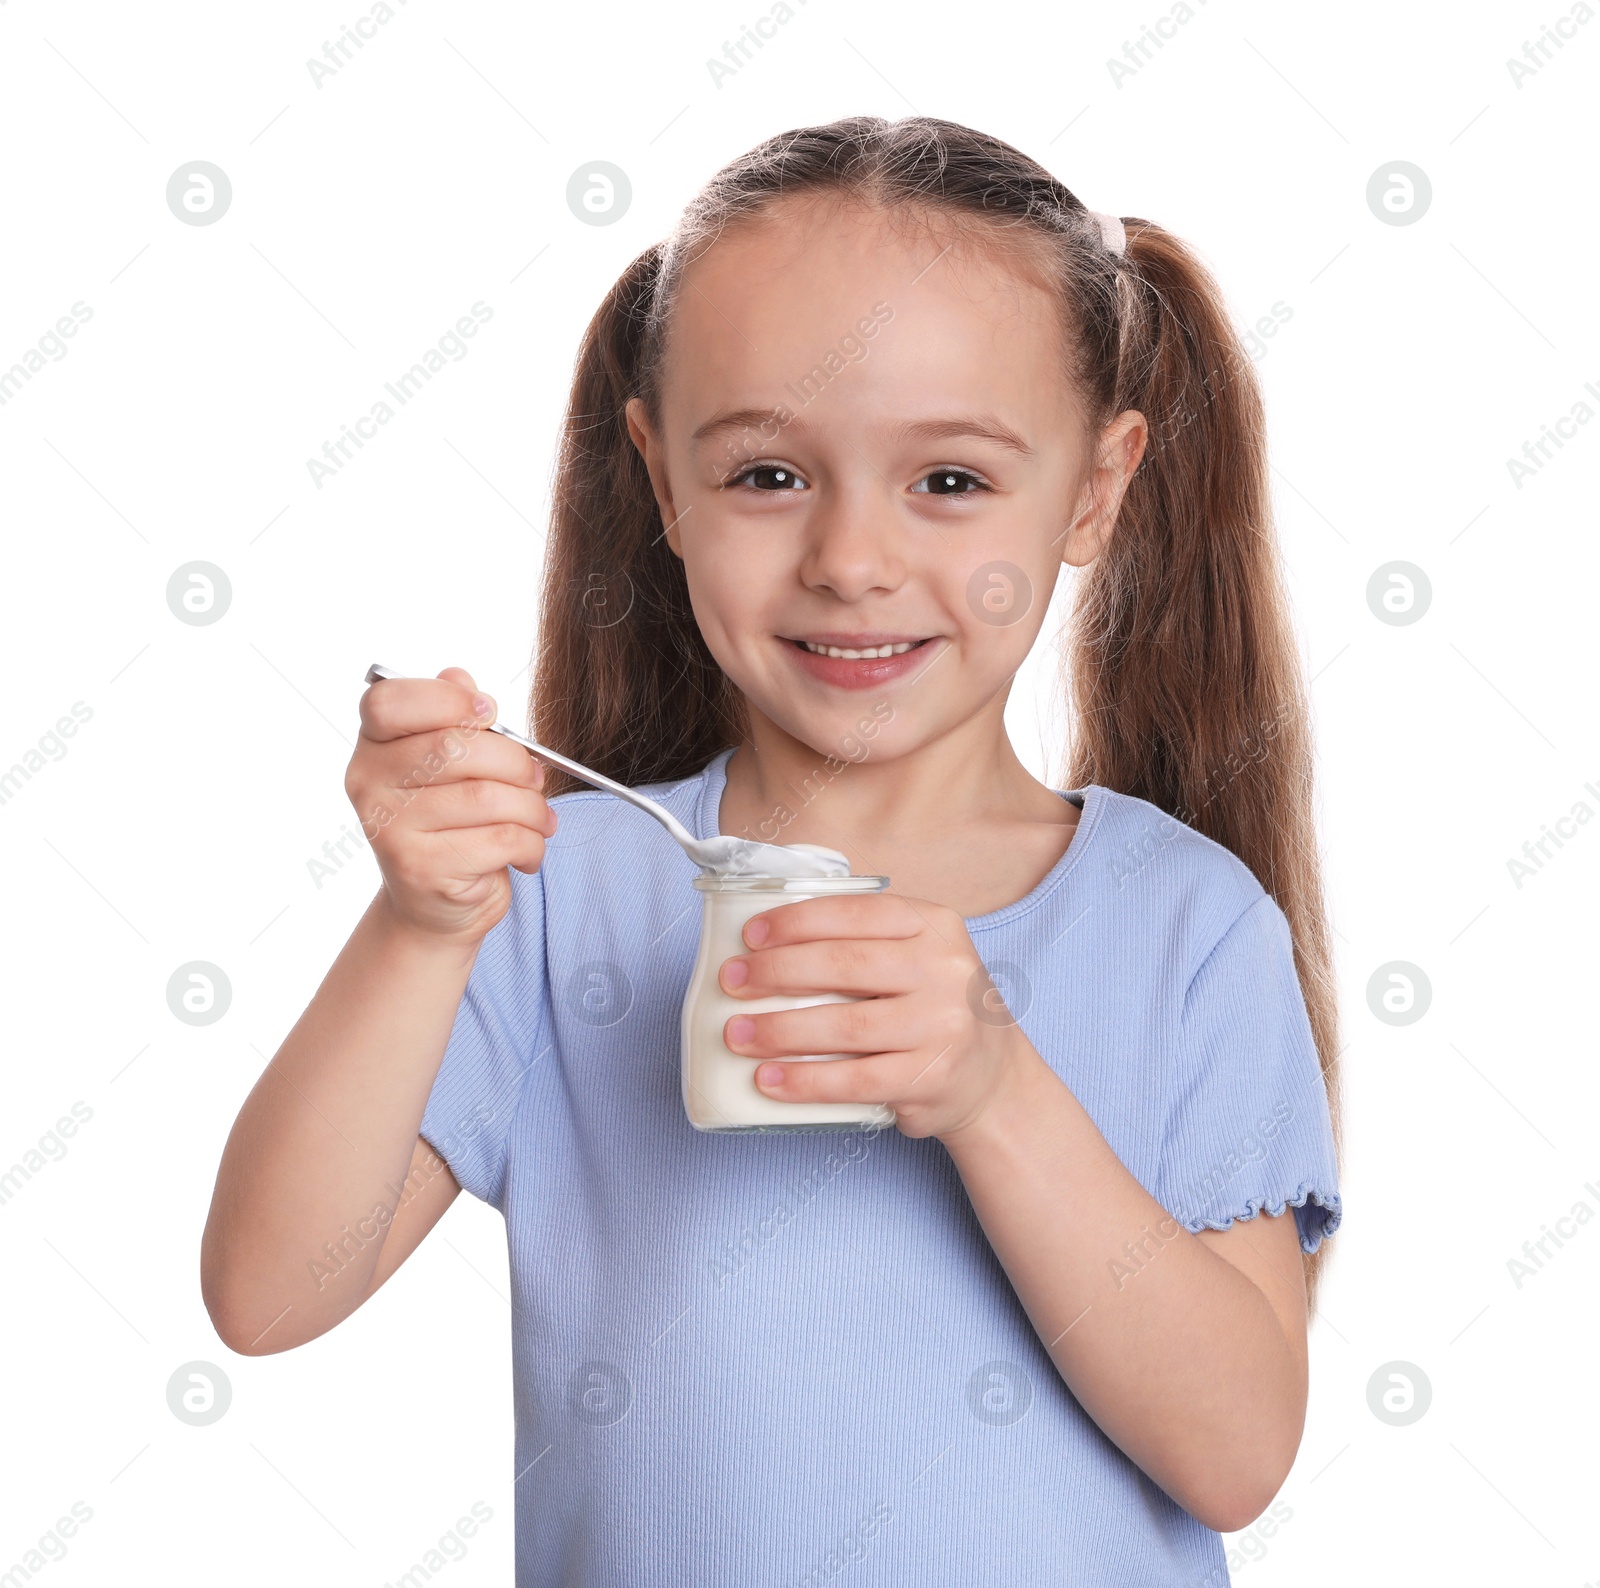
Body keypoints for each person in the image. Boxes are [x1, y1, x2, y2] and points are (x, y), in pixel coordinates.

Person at [202, 114, 1342, 1586]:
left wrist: (991, 1088)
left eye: (949, 481)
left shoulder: (1187, 923)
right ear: (661, 479)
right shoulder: (557, 891)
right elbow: (267, 1294)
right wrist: (421, 929)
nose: (852, 560)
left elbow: (1236, 1453)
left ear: (1098, 489)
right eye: (765, 476)